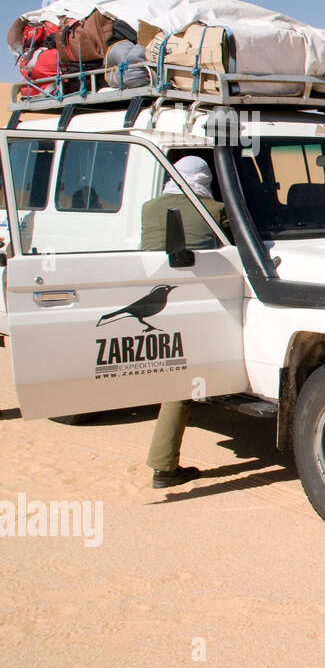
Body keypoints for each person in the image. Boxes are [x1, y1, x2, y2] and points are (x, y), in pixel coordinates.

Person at [140, 156, 229, 490]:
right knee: (180, 384)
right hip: (197, 302)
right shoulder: (214, 210)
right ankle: (164, 467)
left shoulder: (149, 207)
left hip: (155, 301)